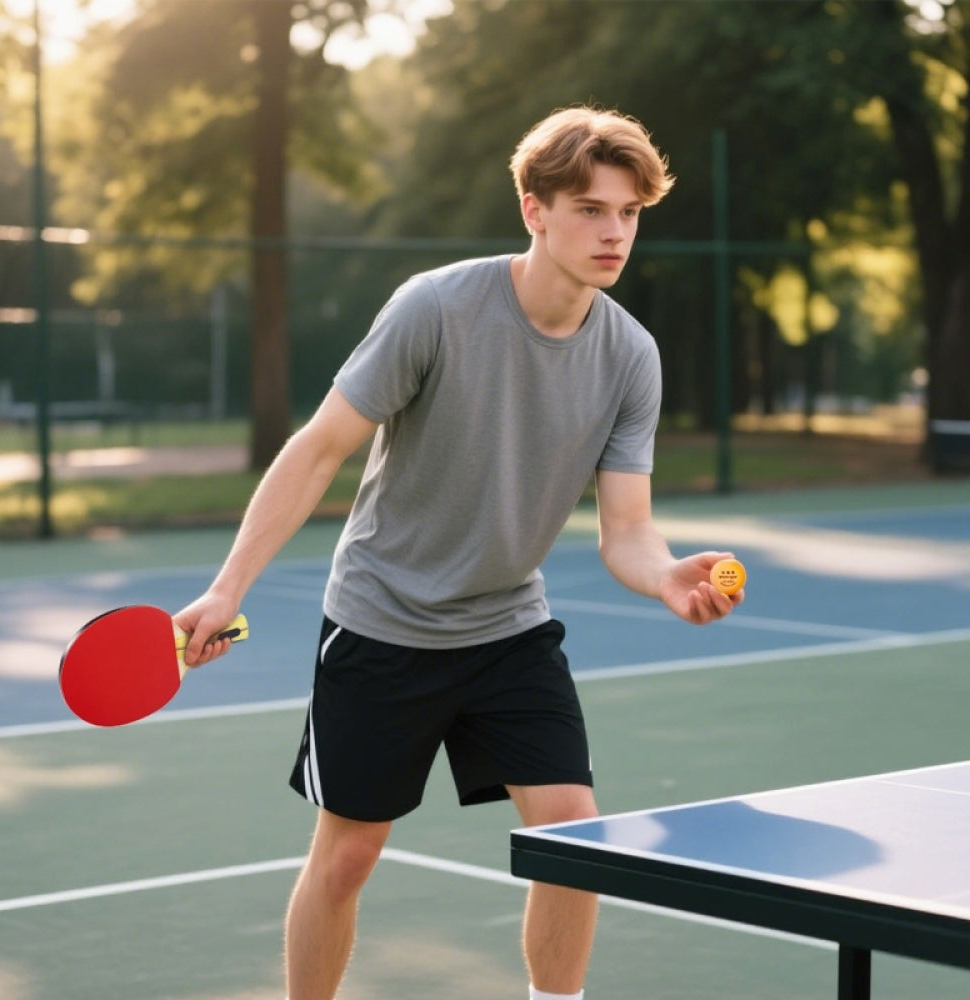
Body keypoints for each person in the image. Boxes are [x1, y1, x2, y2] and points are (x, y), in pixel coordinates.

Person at [175, 105, 744, 1000]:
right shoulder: (437, 308)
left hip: (507, 625)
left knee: (574, 840)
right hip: (382, 623)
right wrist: (226, 587)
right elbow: (322, 446)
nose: (614, 232)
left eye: (629, 213)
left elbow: (627, 530)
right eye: (591, 208)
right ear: (534, 210)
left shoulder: (630, 355)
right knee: (348, 857)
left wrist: (664, 574)